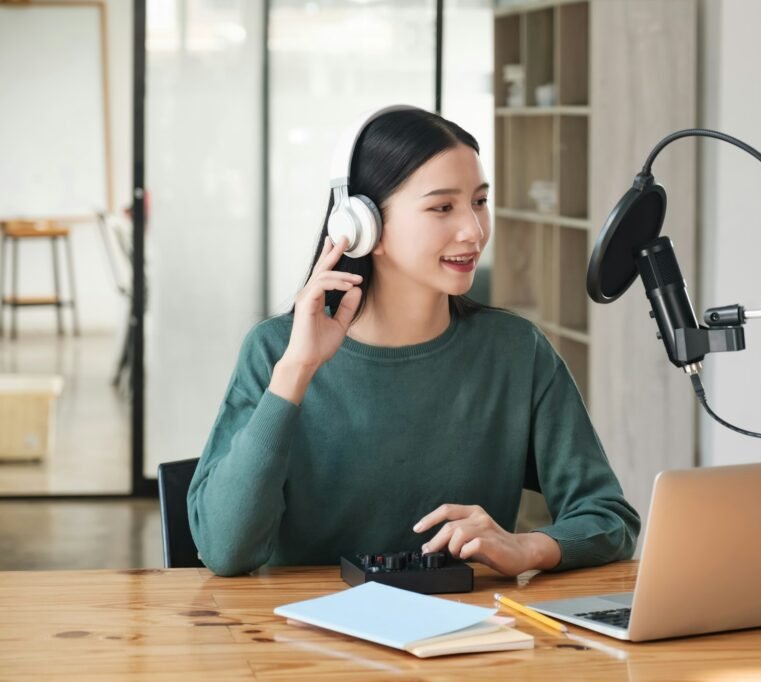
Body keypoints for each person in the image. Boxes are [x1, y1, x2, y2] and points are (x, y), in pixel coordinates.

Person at [187, 106, 640, 577]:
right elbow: (224, 549)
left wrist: (528, 546)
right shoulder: (274, 352)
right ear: (362, 228)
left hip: (466, 635)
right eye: (443, 207)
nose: (474, 230)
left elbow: (609, 518)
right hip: (303, 633)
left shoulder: (515, 351)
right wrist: (296, 371)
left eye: (479, 202)